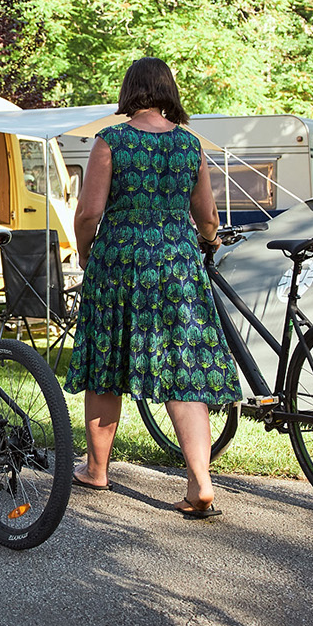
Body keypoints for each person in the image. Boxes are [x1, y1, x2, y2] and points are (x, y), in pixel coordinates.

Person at [64, 57, 241, 518]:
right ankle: (200, 482)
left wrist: (86, 253)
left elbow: (87, 214)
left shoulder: (111, 141)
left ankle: (96, 469)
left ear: (130, 92)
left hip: (120, 262)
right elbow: (208, 218)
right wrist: (205, 243)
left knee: (108, 358)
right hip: (178, 264)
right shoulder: (189, 145)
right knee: (184, 368)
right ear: (169, 93)